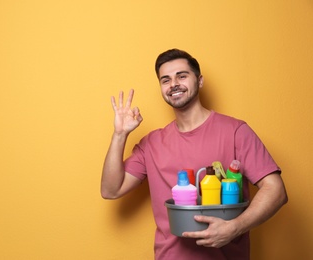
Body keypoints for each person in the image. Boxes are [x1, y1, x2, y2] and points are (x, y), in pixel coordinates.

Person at [101, 48, 288, 260]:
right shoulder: (151, 144)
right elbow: (111, 190)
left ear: (199, 81)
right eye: (166, 80)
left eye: (182, 76)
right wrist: (119, 135)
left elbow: (276, 190)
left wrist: (235, 227)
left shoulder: (235, 131)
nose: (174, 84)